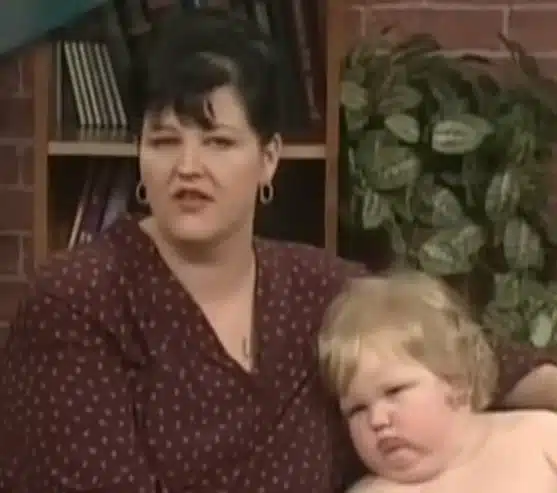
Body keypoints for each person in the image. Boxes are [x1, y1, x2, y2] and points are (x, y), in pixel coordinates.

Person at [0, 7, 556, 493]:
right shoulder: (77, 305)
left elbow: (478, 360)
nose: (188, 167)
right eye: (165, 141)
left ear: (268, 159)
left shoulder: (320, 289)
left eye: (218, 142)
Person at [318, 271, 557, 493]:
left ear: (458, 380)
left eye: (394, 391)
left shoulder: (538, 436)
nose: (377, 420)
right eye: (356, 409)